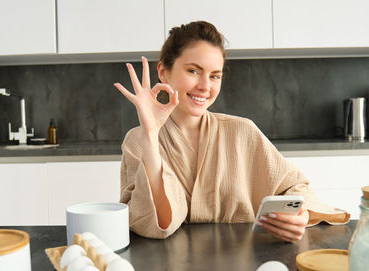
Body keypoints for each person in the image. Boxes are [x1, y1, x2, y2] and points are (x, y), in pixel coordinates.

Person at [113, 21, 349, 242]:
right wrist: (151, 135)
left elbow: (297, 187)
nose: (206, 86)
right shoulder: (138, 140)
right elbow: (154, 224)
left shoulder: (242, 132)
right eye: (194, 71)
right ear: (163, 72)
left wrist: (300, 215)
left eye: (215, 75)